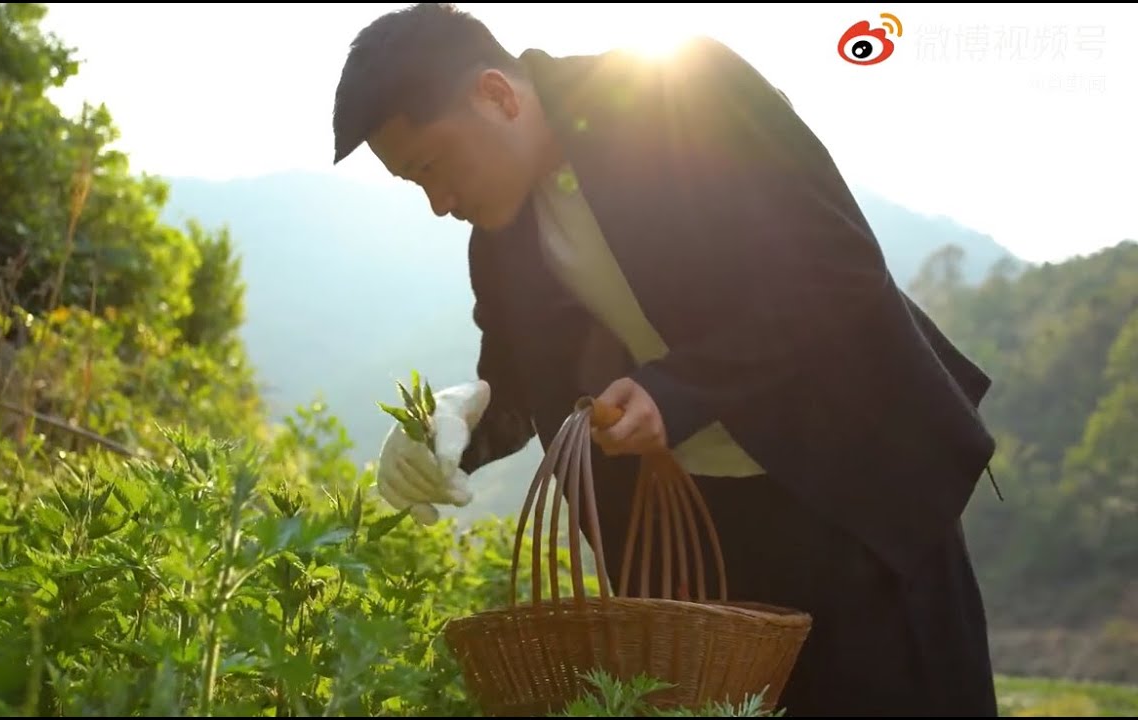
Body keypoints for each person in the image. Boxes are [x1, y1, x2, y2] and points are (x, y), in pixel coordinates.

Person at [331, 3, 1001, 716]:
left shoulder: (684, 92)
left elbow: (833, 274)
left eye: (433, 166)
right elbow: (517, 386)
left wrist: (677, 393)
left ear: (498, 95)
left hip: (854, 501)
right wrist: (449, 433)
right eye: (414, 184)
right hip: (707, 548)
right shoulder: (500, 242)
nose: (439, 203)